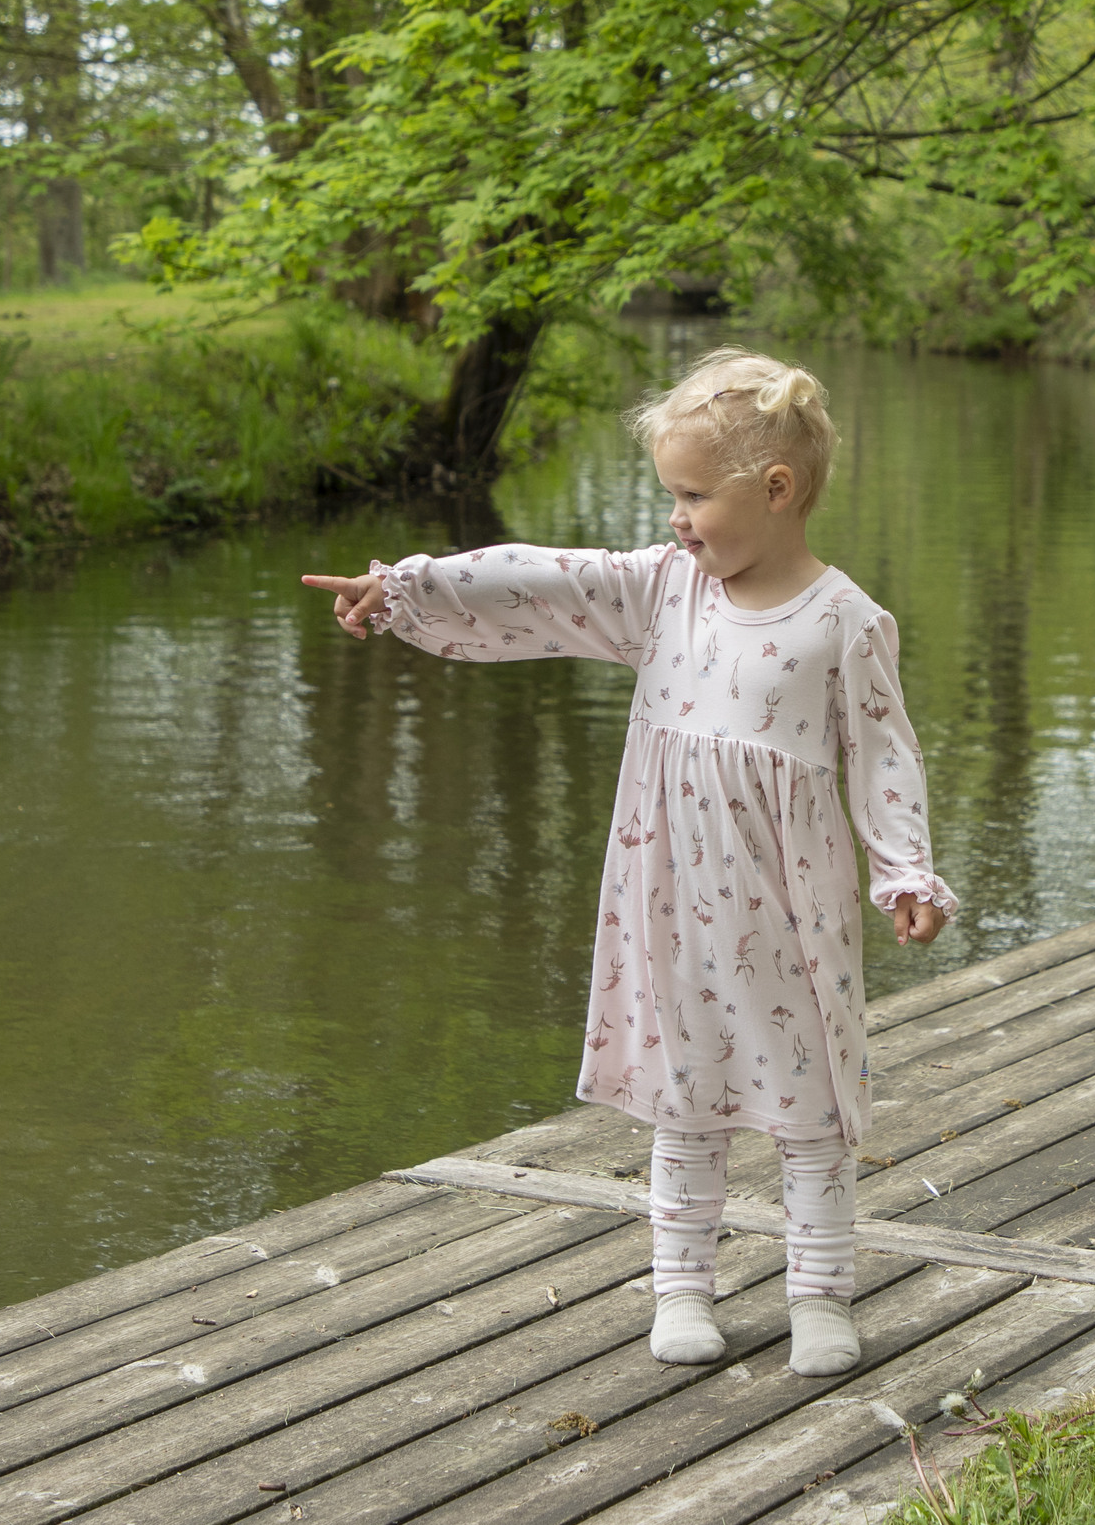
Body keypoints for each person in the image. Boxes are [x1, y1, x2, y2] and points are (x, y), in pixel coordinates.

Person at [302, 346, 956, 1378]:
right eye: (671, 496)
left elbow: (884, 757)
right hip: (671, 906)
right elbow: (539, 581)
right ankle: (682, 1286)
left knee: (810, 1110)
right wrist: (404, 590)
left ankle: (820, 1294)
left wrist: (904, 870)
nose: (676, 518)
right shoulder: (663, 594)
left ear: (775, 489)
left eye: (694, 496)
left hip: (790, 911)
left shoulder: (842, 622)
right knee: (682, 1101)